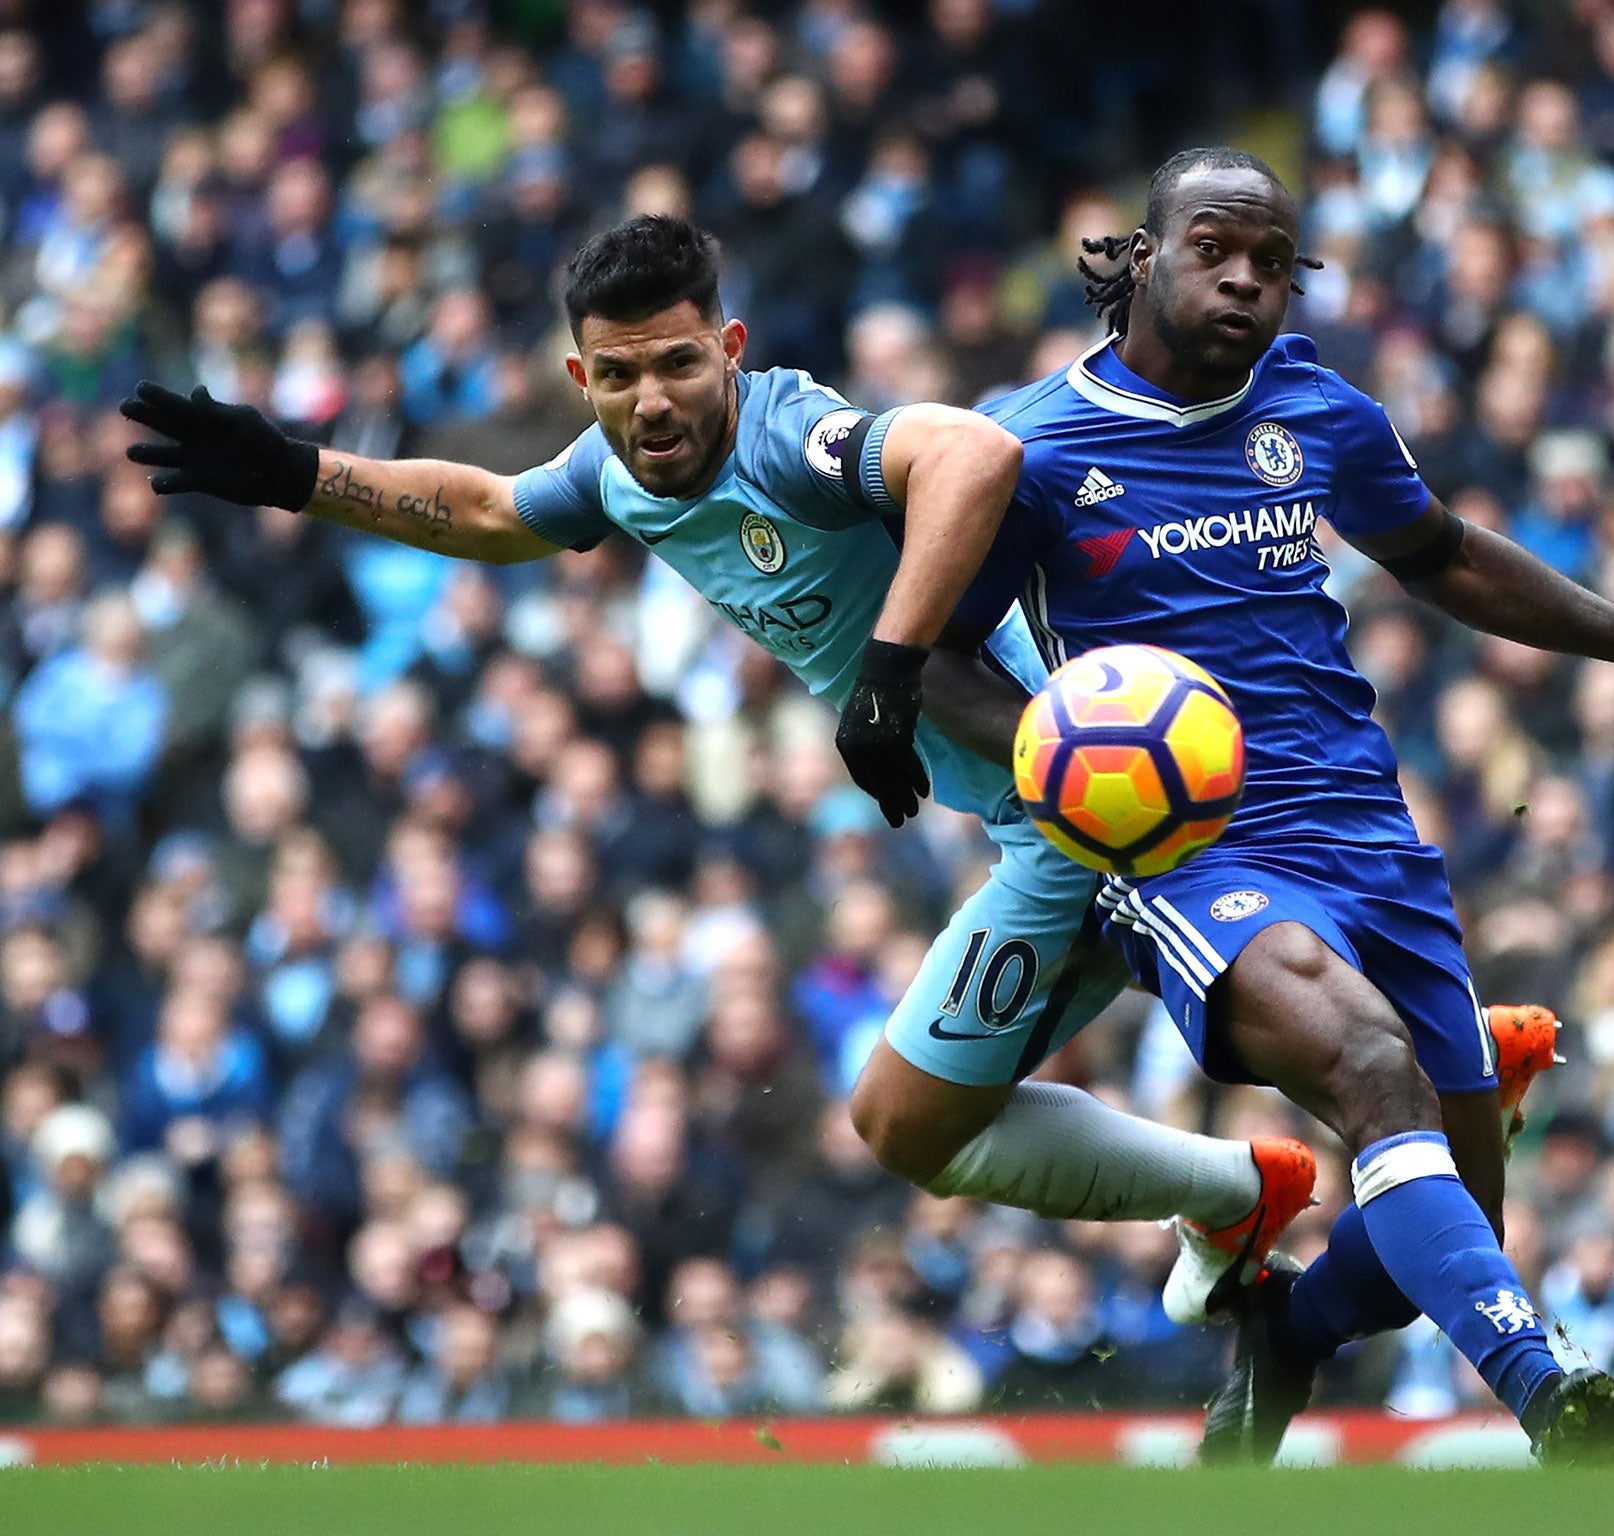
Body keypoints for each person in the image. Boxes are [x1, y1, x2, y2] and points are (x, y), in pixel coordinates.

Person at [118, 213, 1316, 1323]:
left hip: (1069, 806)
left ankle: (1238, 1189)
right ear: (580, 380)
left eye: (680, 363)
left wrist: (890, 675)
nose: (653, 400)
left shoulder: (788, 439)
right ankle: (1411, 1074)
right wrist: (293, 474)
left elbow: (969, 455)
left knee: (905, 1123)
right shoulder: (614, 473)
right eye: (621, 374)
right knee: (1199, 1010)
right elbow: (487, 512)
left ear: (729, 350)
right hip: (1038, 815)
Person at [874, 147, 1614, 1466]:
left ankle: (1292, 1330)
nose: (1247, 283)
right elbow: (930, 654)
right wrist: (1057, 746)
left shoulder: (1316, 410)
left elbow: (1439, 554)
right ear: (1146, 256)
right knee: (1369, 1071)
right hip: (1195, 855)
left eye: (1275, 264)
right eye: (1216, 249)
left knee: (1439, 1217)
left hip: (1369, 836)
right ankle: (1549, 1387)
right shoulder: (1037, 449)